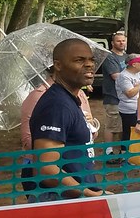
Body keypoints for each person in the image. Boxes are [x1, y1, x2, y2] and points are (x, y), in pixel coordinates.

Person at [28, 39, 105, 199]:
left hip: (77, 198)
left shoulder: (69, 99)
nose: (90, 65)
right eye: (79, 60)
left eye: (91, 60)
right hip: (60, 203)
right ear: (58, 65)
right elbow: (46, 168)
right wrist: (88, 192)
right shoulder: (56, 105)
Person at [99, 30, 128, 150]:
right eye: (118, 41)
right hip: (113, 97)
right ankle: (108, 152)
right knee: (112, 126)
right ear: (112, 43)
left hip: (126, 97)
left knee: (122, 126)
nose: (121, 43)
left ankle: (122, 150)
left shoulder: (126, 56)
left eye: (123, 41)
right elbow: (115, 76)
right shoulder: (109, 57)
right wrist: (132, 80)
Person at [116, 54, 140, 140]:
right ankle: (125, 150)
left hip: (138, 107)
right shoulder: (124, 76)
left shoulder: (139, 74)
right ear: (134, 64)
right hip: (128, 110)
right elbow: (129, 93)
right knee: (129, 133)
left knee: (137, 133)